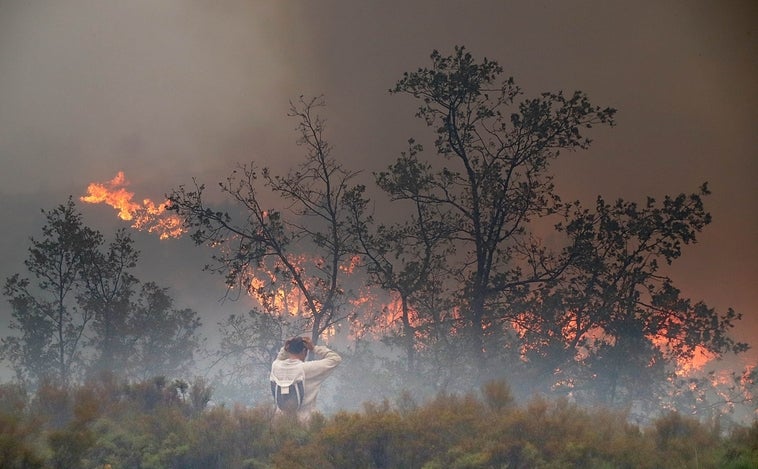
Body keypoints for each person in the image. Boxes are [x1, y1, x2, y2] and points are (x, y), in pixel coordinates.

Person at [269, 336, 341, 423]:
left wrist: (284, 350)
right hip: (305, 421)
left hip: (280, 421)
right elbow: (335, 358)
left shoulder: (276, 366)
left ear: (289, 350)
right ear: (304, 351)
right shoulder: (306, 368)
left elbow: (279, 359)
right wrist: (314, 348)